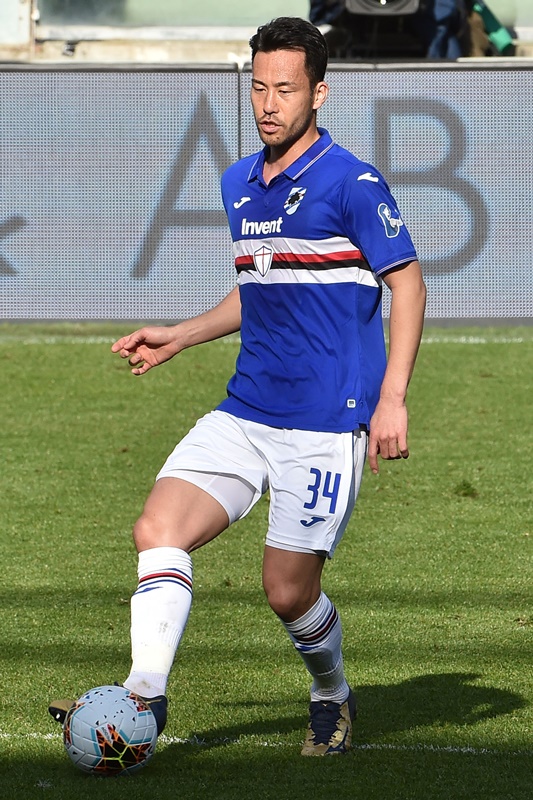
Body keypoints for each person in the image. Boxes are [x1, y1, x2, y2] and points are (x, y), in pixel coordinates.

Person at [49, 16, 426, 756]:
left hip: (324, 421)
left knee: (287, 592)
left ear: (319, 93)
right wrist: (181, 335)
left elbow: (407, 284)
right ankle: (144, 697)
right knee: (158, 530)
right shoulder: (239, 183)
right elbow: (259, 288)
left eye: (285, 89)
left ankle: (331, 693)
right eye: (257, 88)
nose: (268, 104)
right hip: (247, 409)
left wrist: (392, 398)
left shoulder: (352, 183)